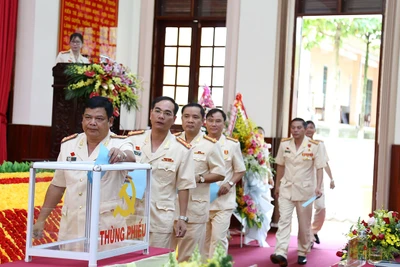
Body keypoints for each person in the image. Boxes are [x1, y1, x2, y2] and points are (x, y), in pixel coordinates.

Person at [33, 96, 135, 250]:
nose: (92, 123)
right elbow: (57, 186)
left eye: (99, 118)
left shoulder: (120, 143)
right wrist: (41, 219)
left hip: (106, 228)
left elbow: (131, 157)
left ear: (111, 122)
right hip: (72, 227)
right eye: (88, 117)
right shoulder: (69, 144)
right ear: (82, 119)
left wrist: (120, 155)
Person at [127, 96, 196, 249]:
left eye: (167, 113)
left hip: (160, 217)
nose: (161, 116)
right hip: (129, 214)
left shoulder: (182, 149)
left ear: (173, 119)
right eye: (157, 111)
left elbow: (184, 186)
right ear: (151, 113)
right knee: (126, 261)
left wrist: (182, 218)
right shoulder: (133, 140)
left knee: (157, 261)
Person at [171, 103, 226, 262]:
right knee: (165, 254)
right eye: (186, 116)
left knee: (190, 256)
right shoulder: (172, 141)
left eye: (195, 117)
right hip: (169, 206)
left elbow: (220, 173)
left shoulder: (210, 145)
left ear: (202, 121)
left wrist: (199, 178)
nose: (190, 120)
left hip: (194, 208)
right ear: (181, 119)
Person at [270, 118, 326, 266]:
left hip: (306, 192)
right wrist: (277, 185)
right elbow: (280, 165)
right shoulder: (284, 144)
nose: (295, 130)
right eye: (293, 127)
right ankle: (280, 252)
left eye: (299, 128)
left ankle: (302, 251)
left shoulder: (314, 146)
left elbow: (320, 167)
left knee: (304, 224)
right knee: (284, 221)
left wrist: (318, 186)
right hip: (286, 189)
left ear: (304, 129)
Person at [203, 109, 246, 258]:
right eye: (211, 120)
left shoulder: (232, 144)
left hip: (223, 201)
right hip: (201, 200)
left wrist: (229, 184)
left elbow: (240, 170)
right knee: (202, 241)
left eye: (218, 121)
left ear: (224, 124)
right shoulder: (198, 143)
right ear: (205, 122)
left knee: (218, 239)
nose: (214, 124)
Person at [305, 120, 335, 246]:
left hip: (318, 182)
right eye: (307, 127)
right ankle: (309, 237)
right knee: (306, 209)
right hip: (305, 182)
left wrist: (331, 178)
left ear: (315, 130)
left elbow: (324, 163)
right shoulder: (299, 144)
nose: (309, 129)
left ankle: (314, 230)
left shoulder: (320, 144)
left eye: (312, 127)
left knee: (321, 208)